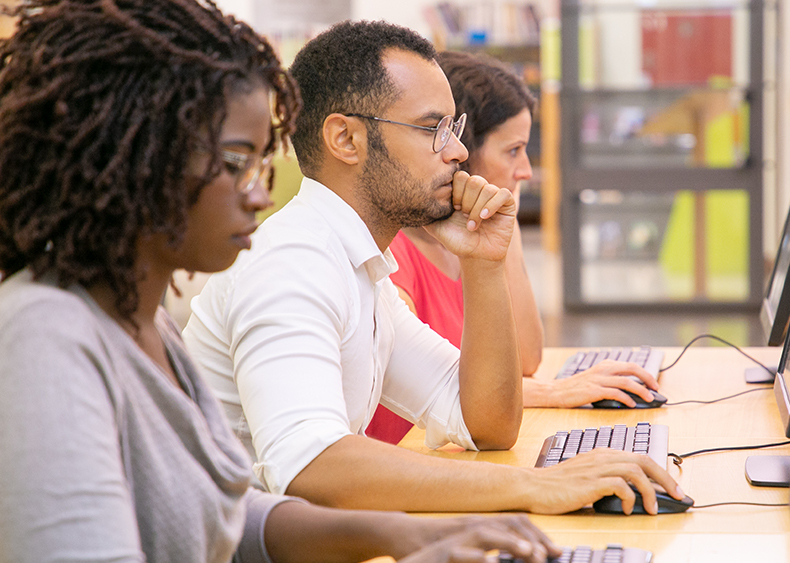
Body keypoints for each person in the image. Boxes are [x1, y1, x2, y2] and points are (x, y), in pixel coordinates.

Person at [0, 1, 558, 561]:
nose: (260, 194)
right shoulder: (48, 336)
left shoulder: (145, 324)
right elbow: (310, 465)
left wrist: (403, 535)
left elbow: (225, 516)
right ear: (143, 160)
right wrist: (531, 487)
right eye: (236, 162)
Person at [182, 19, 684, 515]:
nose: (459, 152)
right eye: (432, 129)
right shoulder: (294, 263)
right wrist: (533, 485)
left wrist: (483, 265)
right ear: (346, 140)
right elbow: (310, 468)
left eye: (454, 129)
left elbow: (486, 422)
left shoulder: (361, 269)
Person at [365, 51, 662, 445]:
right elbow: (441, 400)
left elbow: (525, 359)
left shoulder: (460, 248)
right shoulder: (393, 258)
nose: (525, 170)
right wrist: (558, 391)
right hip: (415, 463)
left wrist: (508, 230)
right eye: (512, 151)